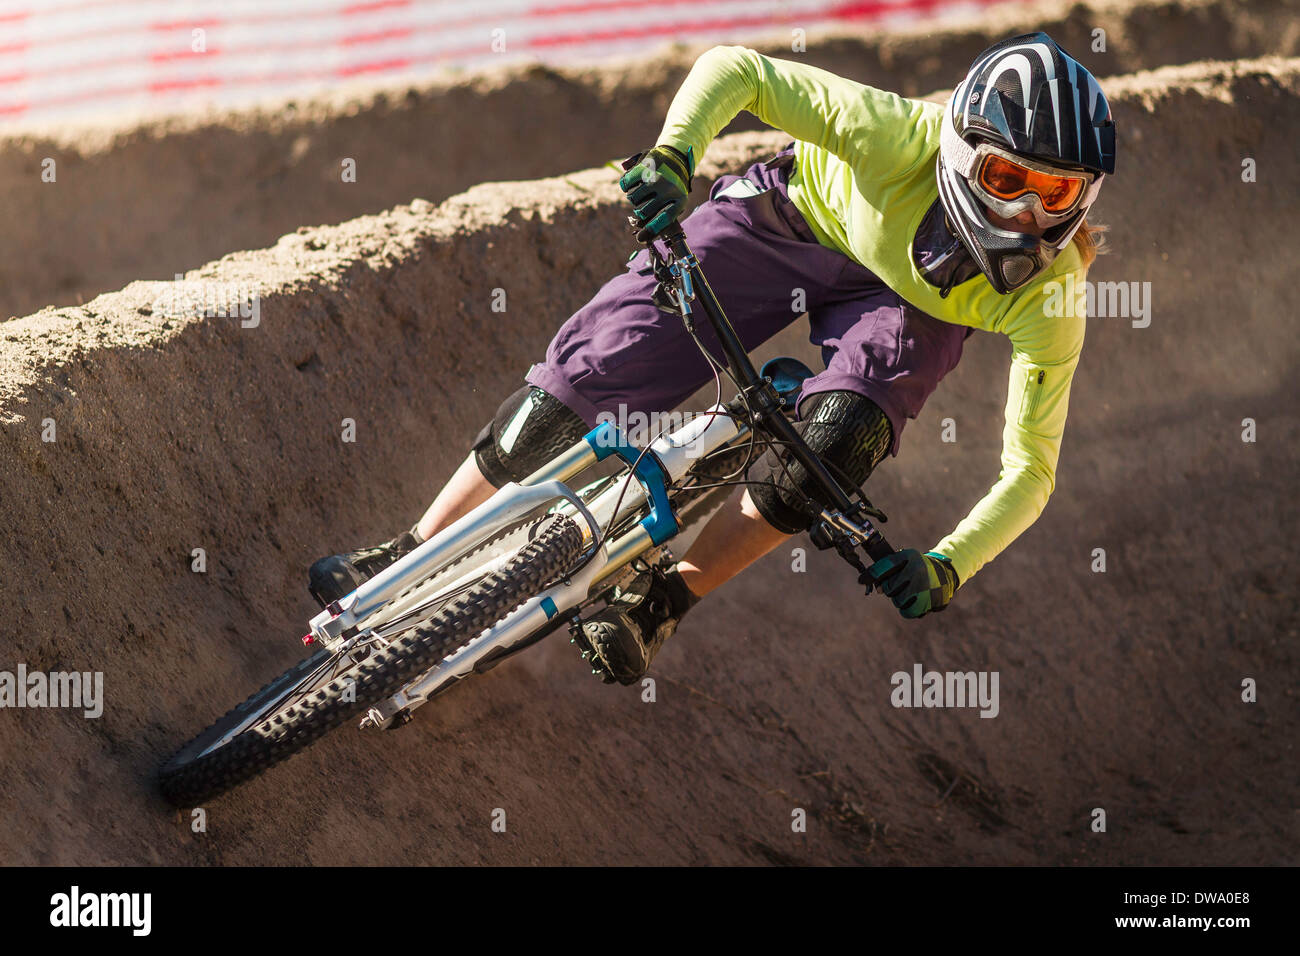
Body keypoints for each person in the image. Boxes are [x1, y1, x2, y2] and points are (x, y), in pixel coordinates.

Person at [308, 32, 1116, 686]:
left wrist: (949, 565)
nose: (1022, 209)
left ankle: (659, 602)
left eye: (1054, 193)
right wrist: (674, 155)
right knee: (593, 369)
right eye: (1008, 176)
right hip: (797, 222)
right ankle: (413, 547)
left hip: (907, 311)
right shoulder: (890, 134)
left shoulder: (1052, 296)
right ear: (961, 148)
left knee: (834, 451)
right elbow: (741, 70)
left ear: (1084, 198)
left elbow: (1031, 470)